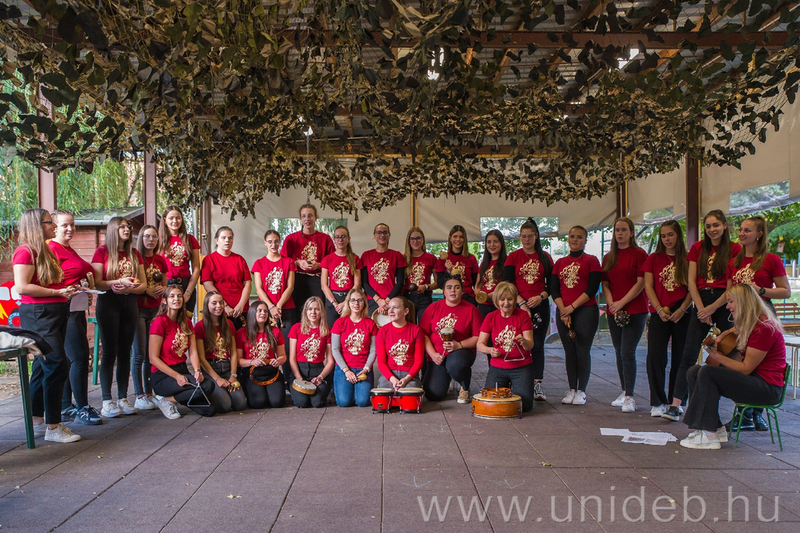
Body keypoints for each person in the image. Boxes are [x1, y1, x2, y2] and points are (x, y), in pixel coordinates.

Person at [680, 284, 787, 450]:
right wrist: (723, 340)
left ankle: (708, 434)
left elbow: (746, 368)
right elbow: (740, 358)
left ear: (743, 302)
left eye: (731, 301)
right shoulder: (751, 324)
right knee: (695, 372)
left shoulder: (764, 328)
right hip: (755, 380)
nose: (727, 306)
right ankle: (715, 429)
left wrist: (718, 356)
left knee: (707, 372)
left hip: (768, 389)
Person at [663, 210, 742, 422]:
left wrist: (713, 308)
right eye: (708, 226)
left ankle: (731, 407)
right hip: (701, 300)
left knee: (728, 352)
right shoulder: (698, 248)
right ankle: (676, 404)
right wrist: (701, 309)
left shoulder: (734, 249)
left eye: (716, 225)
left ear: (724, 226)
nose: (712, 230)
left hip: (723, 302)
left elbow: (731, 285)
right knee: (688, 353)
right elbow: (691, 281)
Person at [13, 209, 80, 443]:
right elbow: (22, 287)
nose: (53, 225)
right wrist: (56, 292)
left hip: (55, 311)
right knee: (57, 364)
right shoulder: (25, 251)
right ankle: (53, 426)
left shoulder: (44, 250)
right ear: (36, 225)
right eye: (49, 222)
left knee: (43, 366)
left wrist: (66, 291)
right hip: (39, 314)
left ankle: (37, 419)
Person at [726, 215, 791, 431]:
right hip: (740, 315)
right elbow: (729, 291)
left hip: (762, 313)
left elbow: (786, 291)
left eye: (747, 230)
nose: (741, 234)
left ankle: (756, 413)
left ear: (759, 234)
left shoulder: (771, 259)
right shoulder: (734, 261)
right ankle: (744, 413)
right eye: (741, 230)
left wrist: (760, 290)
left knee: (760, 361)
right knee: (739, 358)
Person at [48, 210, 102, 426]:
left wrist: (84, 288)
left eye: (72, 224)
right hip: (65, 310)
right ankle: (82, 407)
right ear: (54, 227)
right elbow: (48, 280)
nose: (70, 228)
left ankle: (65, 405)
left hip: (77, 308)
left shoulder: (68, 249)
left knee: (71, 358)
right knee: (79, 358)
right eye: (65, 225)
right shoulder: (51, 249)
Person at [92, 216, 146, 418]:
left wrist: (131, 287)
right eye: (122, 226)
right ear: (113, 229)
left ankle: (123, 397)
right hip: (108, 303)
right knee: (109, 352)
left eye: (128, 227)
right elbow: (97, 283)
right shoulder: (102, 252)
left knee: (125, 351)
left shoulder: (134, 253)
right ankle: (107, 400)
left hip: (129, 302)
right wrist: (119, 281)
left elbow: (143, 284)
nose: (126, 229)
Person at [643, 220, 692, 418]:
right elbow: (648, 286)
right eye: (663, 236)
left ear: (678, 235)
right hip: (659, 311)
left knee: (681, 358)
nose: (667, 239)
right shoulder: (653, 258)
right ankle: (657, 401)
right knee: (655, 357)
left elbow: (692, 287)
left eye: (670, 234)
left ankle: (676, 401)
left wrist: (682, 309)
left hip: (682, 311)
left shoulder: (688, 258)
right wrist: (657, 309)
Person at [601, 217, 648, 413]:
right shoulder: (609, 257)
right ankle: (623, 390)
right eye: (617, 230)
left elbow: (641, 282)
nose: (619, 233)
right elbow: (605, 283)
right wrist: (612, 303)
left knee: (628, 352)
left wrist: (622, 302)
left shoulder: (639, 254)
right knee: (619, 350)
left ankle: (630, 396)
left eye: (623, 230)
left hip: (635, 309)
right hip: (614, 310)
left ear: (631, 233)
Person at [503, 218, 553, 401]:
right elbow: (507, 282)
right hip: (517, 306)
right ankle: (515, 381)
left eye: (530, 236)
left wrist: (541, 296)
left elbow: (552, 284)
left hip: (539, 305)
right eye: (523, 236)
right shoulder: (513, 257)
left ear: (536, 236)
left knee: (537, 345)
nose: (526, 240)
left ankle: (537, 383)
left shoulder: (545, 257)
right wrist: (521, 303)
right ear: (520, 237)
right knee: (516, 342)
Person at [551, 225, 601, 406]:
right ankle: (572, 388)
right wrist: (563, 310)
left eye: (579, 237)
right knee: (569, 351)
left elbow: (592, 288)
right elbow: (554, 288)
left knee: (582, 350)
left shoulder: (591, 261)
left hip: (585, 310)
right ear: (568, 239)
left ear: (585, 240)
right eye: (572, 236)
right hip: (564, 311)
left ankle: (582, 390)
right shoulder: (559, 263)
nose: (575, 240)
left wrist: (572, 307)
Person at [149, 286, 216, 419]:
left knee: (210, 410)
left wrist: (197, 370)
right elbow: (153, 358)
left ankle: (171, 398)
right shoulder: (159, 322)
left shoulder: (187, 323)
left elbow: (193, 352)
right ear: (164, 301)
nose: (177, 299)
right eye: (172, 296)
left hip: (182, 370)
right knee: (208, 386)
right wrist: (176, 376)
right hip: (163, 375)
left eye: (179, 296)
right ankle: (164, 399)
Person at [419, 275, 482, 403]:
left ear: (462, 291)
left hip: (461, 351)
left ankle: (464, 385)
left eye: (457, 287)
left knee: (455, 365)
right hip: (437, 354)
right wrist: (433, 354)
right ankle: (447, 377)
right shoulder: (432, 308)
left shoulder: (471, 310)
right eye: (449, 287)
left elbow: (479, 337)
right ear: (444, 291)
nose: (453, 290)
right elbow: (423, 335)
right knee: (433, 394)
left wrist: (459, 345)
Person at [476, 282, 536, 412]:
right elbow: (480, 344)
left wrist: (524, 341)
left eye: (510, 299)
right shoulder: (491, 317)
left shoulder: (523, 316)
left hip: (521, 367)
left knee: (524, 406)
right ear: (497, 300)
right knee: (491, 403)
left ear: (515, 300)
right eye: (502, 299)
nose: (506, 303)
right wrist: (490, 350)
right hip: (498, 367)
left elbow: (530, 345)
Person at [132, 224, 168, 412]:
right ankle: (139, 395)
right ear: (141, 238)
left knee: (150, 353)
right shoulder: (135, 258)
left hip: (155, 310)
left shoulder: (160, 260)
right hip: (139, 308)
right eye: (147, 236)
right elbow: (134, 283)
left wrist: (162, 289)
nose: (151, 240)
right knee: (139, 352)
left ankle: (149, 392)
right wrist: (147, 290)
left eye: (154, 236)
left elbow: (165, 283)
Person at [194, 291, 248, 413]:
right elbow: (201, 358)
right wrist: (217, 379)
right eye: (214, 303)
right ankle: (206, 391)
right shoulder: (199, 326)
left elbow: (233, 352)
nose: (218, 306)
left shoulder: (229, 324)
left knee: (240, 404)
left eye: (221, 303)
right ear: (207, 305)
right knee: (225, 406)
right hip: (210, 369)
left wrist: (233, 375)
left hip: (227, 367)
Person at [280, 204, 334, 310]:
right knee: (297, 311)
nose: (307, 219)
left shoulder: (325, 239)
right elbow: (283, 263)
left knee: (317, 311)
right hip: (297, 279)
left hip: (317, 280)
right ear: (300, 218)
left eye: (310, 215)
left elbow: (333, 262)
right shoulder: (291, 239)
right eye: (304, 216)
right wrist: (297, 263)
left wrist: (319, 265)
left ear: (316, 217)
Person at [330, 288, 379, 407]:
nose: (356, 304)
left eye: (360, 300)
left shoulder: (371, 324)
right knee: (344, 402)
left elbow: (374, 350)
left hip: (363, 368)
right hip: (344, 368)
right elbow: (335, 349)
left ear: (364, 303)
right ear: (348, 303)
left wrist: (366, 368)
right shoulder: (340, 323)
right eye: (352, 300)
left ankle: (356, 391)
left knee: (363, 402)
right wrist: (346, 370)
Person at [235, 301, 287, 408]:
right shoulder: (242, 333)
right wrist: (252, 362)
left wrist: (277, 361)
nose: (263, 313)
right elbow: (238, 360)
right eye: (259, 311)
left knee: (277, 402)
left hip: (270, 371)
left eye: (265, 311)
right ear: (252, 313)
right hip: (251, 373)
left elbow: (283, 356)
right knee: (258, 403)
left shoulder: (275, 331)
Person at [200, 226, 251, 330]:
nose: (227, 240)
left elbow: (247, 284)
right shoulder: (209, 260)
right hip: (219, 309)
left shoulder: (240, 259)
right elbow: (208, 285)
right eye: (223, 238)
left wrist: (241, 305)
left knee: (241, 338)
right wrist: (224, 305)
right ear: (217, 240)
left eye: (230, 238)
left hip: (240, 310)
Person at [288, 297, 334, 408]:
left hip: (318, 371)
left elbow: (330, 361)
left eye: (317, 309)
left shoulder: (327, 331)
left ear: (321, 312)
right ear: (305, 311)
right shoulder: (296, 328)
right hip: (300, 371)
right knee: (302, 403)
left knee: (316, 403)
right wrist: (298, 377)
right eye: (310, 309)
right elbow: (292, 358)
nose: (313, 312)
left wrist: (320, 377)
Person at [252, 229, 297, 341]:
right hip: (265, 309)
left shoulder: (289, 262)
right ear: (265, 243)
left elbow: (290, 287)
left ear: (279, 241)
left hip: (285, 308)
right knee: (266, 342)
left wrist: (279, 306)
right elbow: (259, 289)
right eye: (270, 242)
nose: (273, 244)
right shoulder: (259, 263)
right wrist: (271, 307)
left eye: (276, 241)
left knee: (286, 343)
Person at [157, 206, 201, 313]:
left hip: (186, 284)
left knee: (186, 320)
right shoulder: (158, 240)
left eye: (178, 218)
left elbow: (196, 269)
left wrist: (188, 293)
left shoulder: (190, 239)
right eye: (171, 218)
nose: (175, 221)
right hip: (166, 285)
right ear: (165, 220)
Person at [376, 297, 424, 390]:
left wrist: (406, 379)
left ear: (406, 311)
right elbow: (381, 362)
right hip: (389, 375)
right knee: (383, 394)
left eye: (395, 307)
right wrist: (392, 379)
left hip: (409, 375)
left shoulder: (416, 330)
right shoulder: (383, 331)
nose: (391, 311)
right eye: (389, 308)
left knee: (409, 394)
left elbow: (418, 361)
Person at [361, 223, 407, 317]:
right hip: (372, 300)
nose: (382, 235)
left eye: (385, 232)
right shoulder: (366, 255)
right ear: (374, 235)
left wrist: (387, 300)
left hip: (391, 300)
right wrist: (378, 300)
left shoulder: (397, 256)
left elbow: (400, 282)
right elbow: (364, 283)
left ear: (389, 235)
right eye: (379, 232)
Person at [321, 226, 361, 330]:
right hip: (332, 299)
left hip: (349, 298)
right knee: (331, 330)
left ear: (348, 238)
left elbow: (357, 284)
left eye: (343, 237)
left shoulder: (355, 259)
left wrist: (346, 302)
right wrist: (335, 303)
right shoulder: (327, 259)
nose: (340, 240)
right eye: (337, 237)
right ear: (334, 239)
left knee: (349, 330)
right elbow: (324, 285)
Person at [436, 225, 480, 305]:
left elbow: (476, 283)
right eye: (455, 236)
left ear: (464, 239)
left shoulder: (471, 258)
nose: (458, 239)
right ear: (450, 238)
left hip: (468, 297)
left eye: (461, 237)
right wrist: (448, 272)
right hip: (450, 298)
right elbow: (440, 284)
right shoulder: (443, 259)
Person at [403, 226, 437, 322]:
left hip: (424, 297)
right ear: (408, 240)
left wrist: (426, 287)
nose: (415, 241)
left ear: (423, 240)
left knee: (425, 325)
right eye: (412, 238)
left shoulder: (431, 258)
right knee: (408, 326)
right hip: (407, 296)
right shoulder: (403, 258)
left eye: (418, 238)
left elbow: (438, 283)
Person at [476, 230, 507, 318]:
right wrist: (480, 294)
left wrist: (491, 296)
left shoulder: (507, 262)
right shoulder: (484, 264)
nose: (492, 245)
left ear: (501, 243)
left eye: (495, 241)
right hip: (483, 305)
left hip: (500, 304)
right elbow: (477, 286)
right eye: (489, 242)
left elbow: (507, 286)